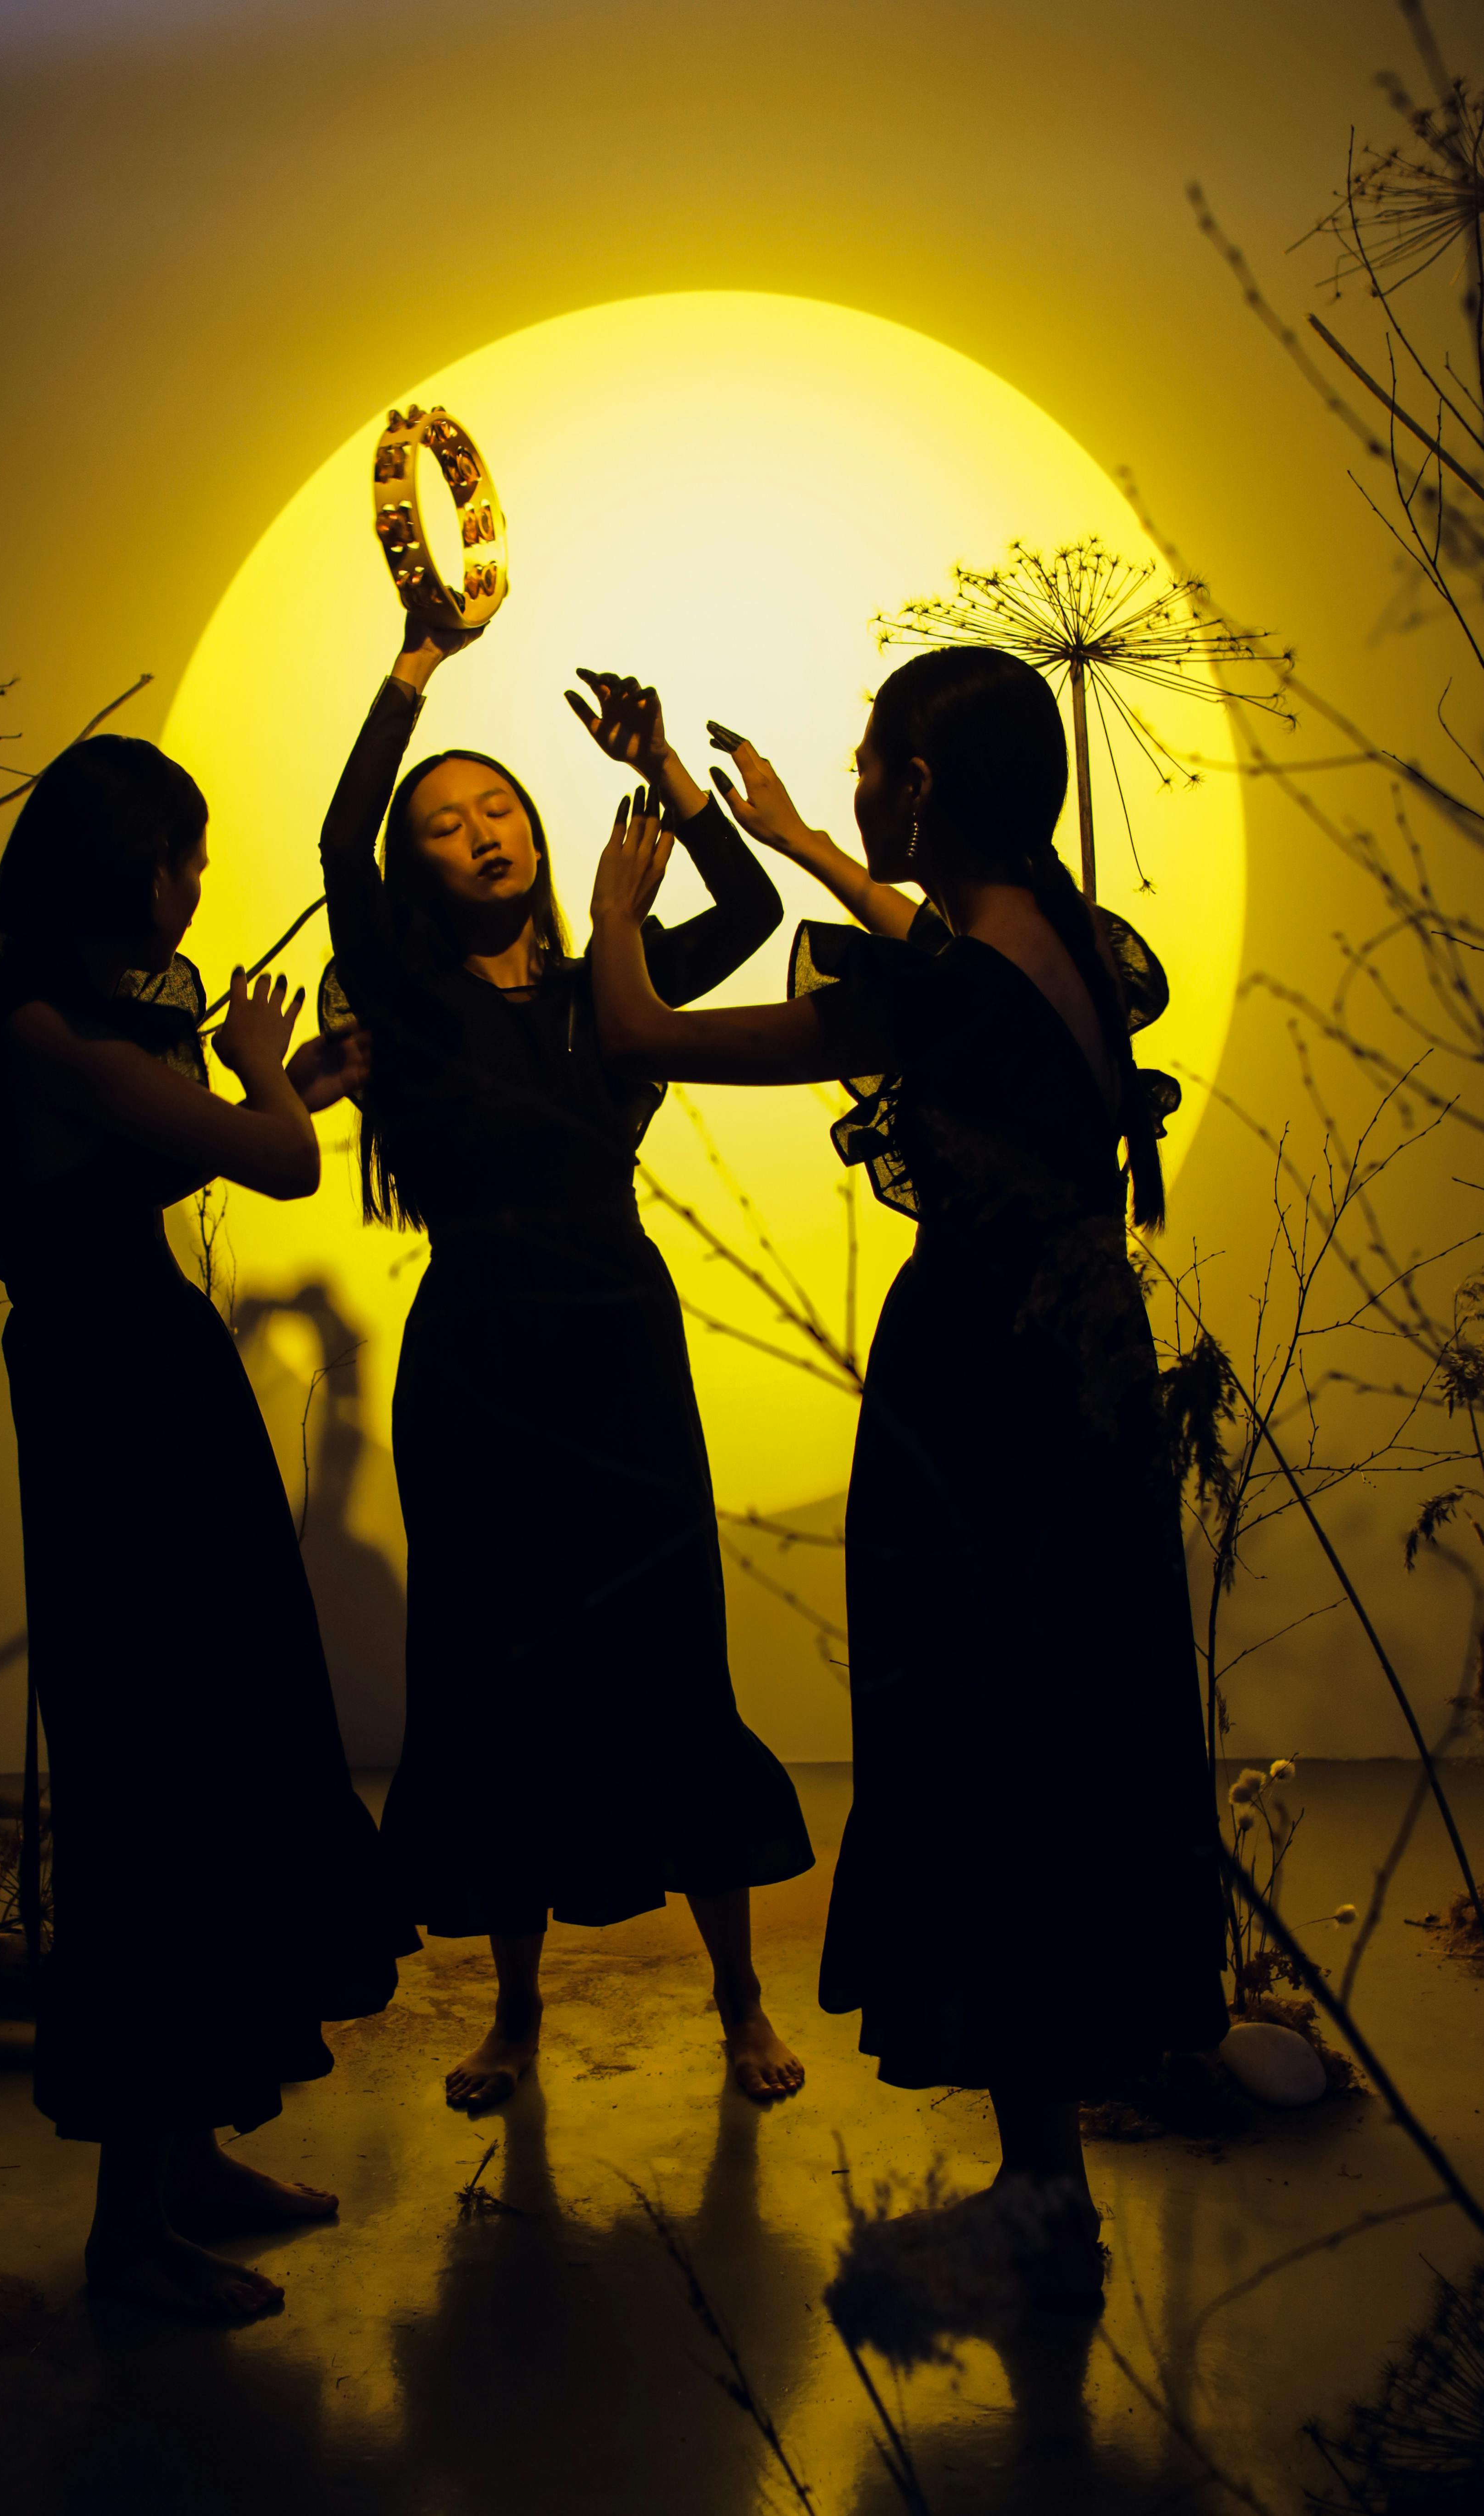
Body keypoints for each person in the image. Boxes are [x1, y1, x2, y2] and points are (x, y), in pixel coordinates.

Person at [586, 647, 1230, 2315]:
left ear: (926, 789)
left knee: (984, 1750)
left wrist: (618, 893)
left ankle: (1034, 2198)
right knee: (1056, 1735)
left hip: (981, 1396)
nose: (855, 773)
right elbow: (948, 953)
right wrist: (798, 843)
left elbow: (637, 1027)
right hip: (1071, 1376)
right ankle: (1046, 2182)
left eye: (869, 759)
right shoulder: (1070, 941)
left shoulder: (938, 993)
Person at [0, 734, 417, 2323]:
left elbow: (208, 1124)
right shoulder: (46, 1024)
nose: (196, 891)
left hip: (134, 1386)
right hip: (121, 1403)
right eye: (185, 860)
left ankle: (188, 2157)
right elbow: (269, 1156)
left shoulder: (59, 1013)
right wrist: (280, 1068)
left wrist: (310, 1072)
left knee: (210, 1762)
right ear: (138, 870)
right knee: (158, 1781)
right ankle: (126, 2237)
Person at [318, 626, 814, 2108]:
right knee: (497, 1668)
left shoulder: (618, 983)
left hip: (617, 1346)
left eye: (498, 811)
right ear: (417, 864)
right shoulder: (403, 996)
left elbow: (747, 895)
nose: (480, 833)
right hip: (475, 1353)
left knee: (667, 1653)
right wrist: (411, 661)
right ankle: (516, 2014)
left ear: (538, 830)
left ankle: (738, 1997)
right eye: (446, 823)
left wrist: (661, 769)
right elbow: (341, 834)